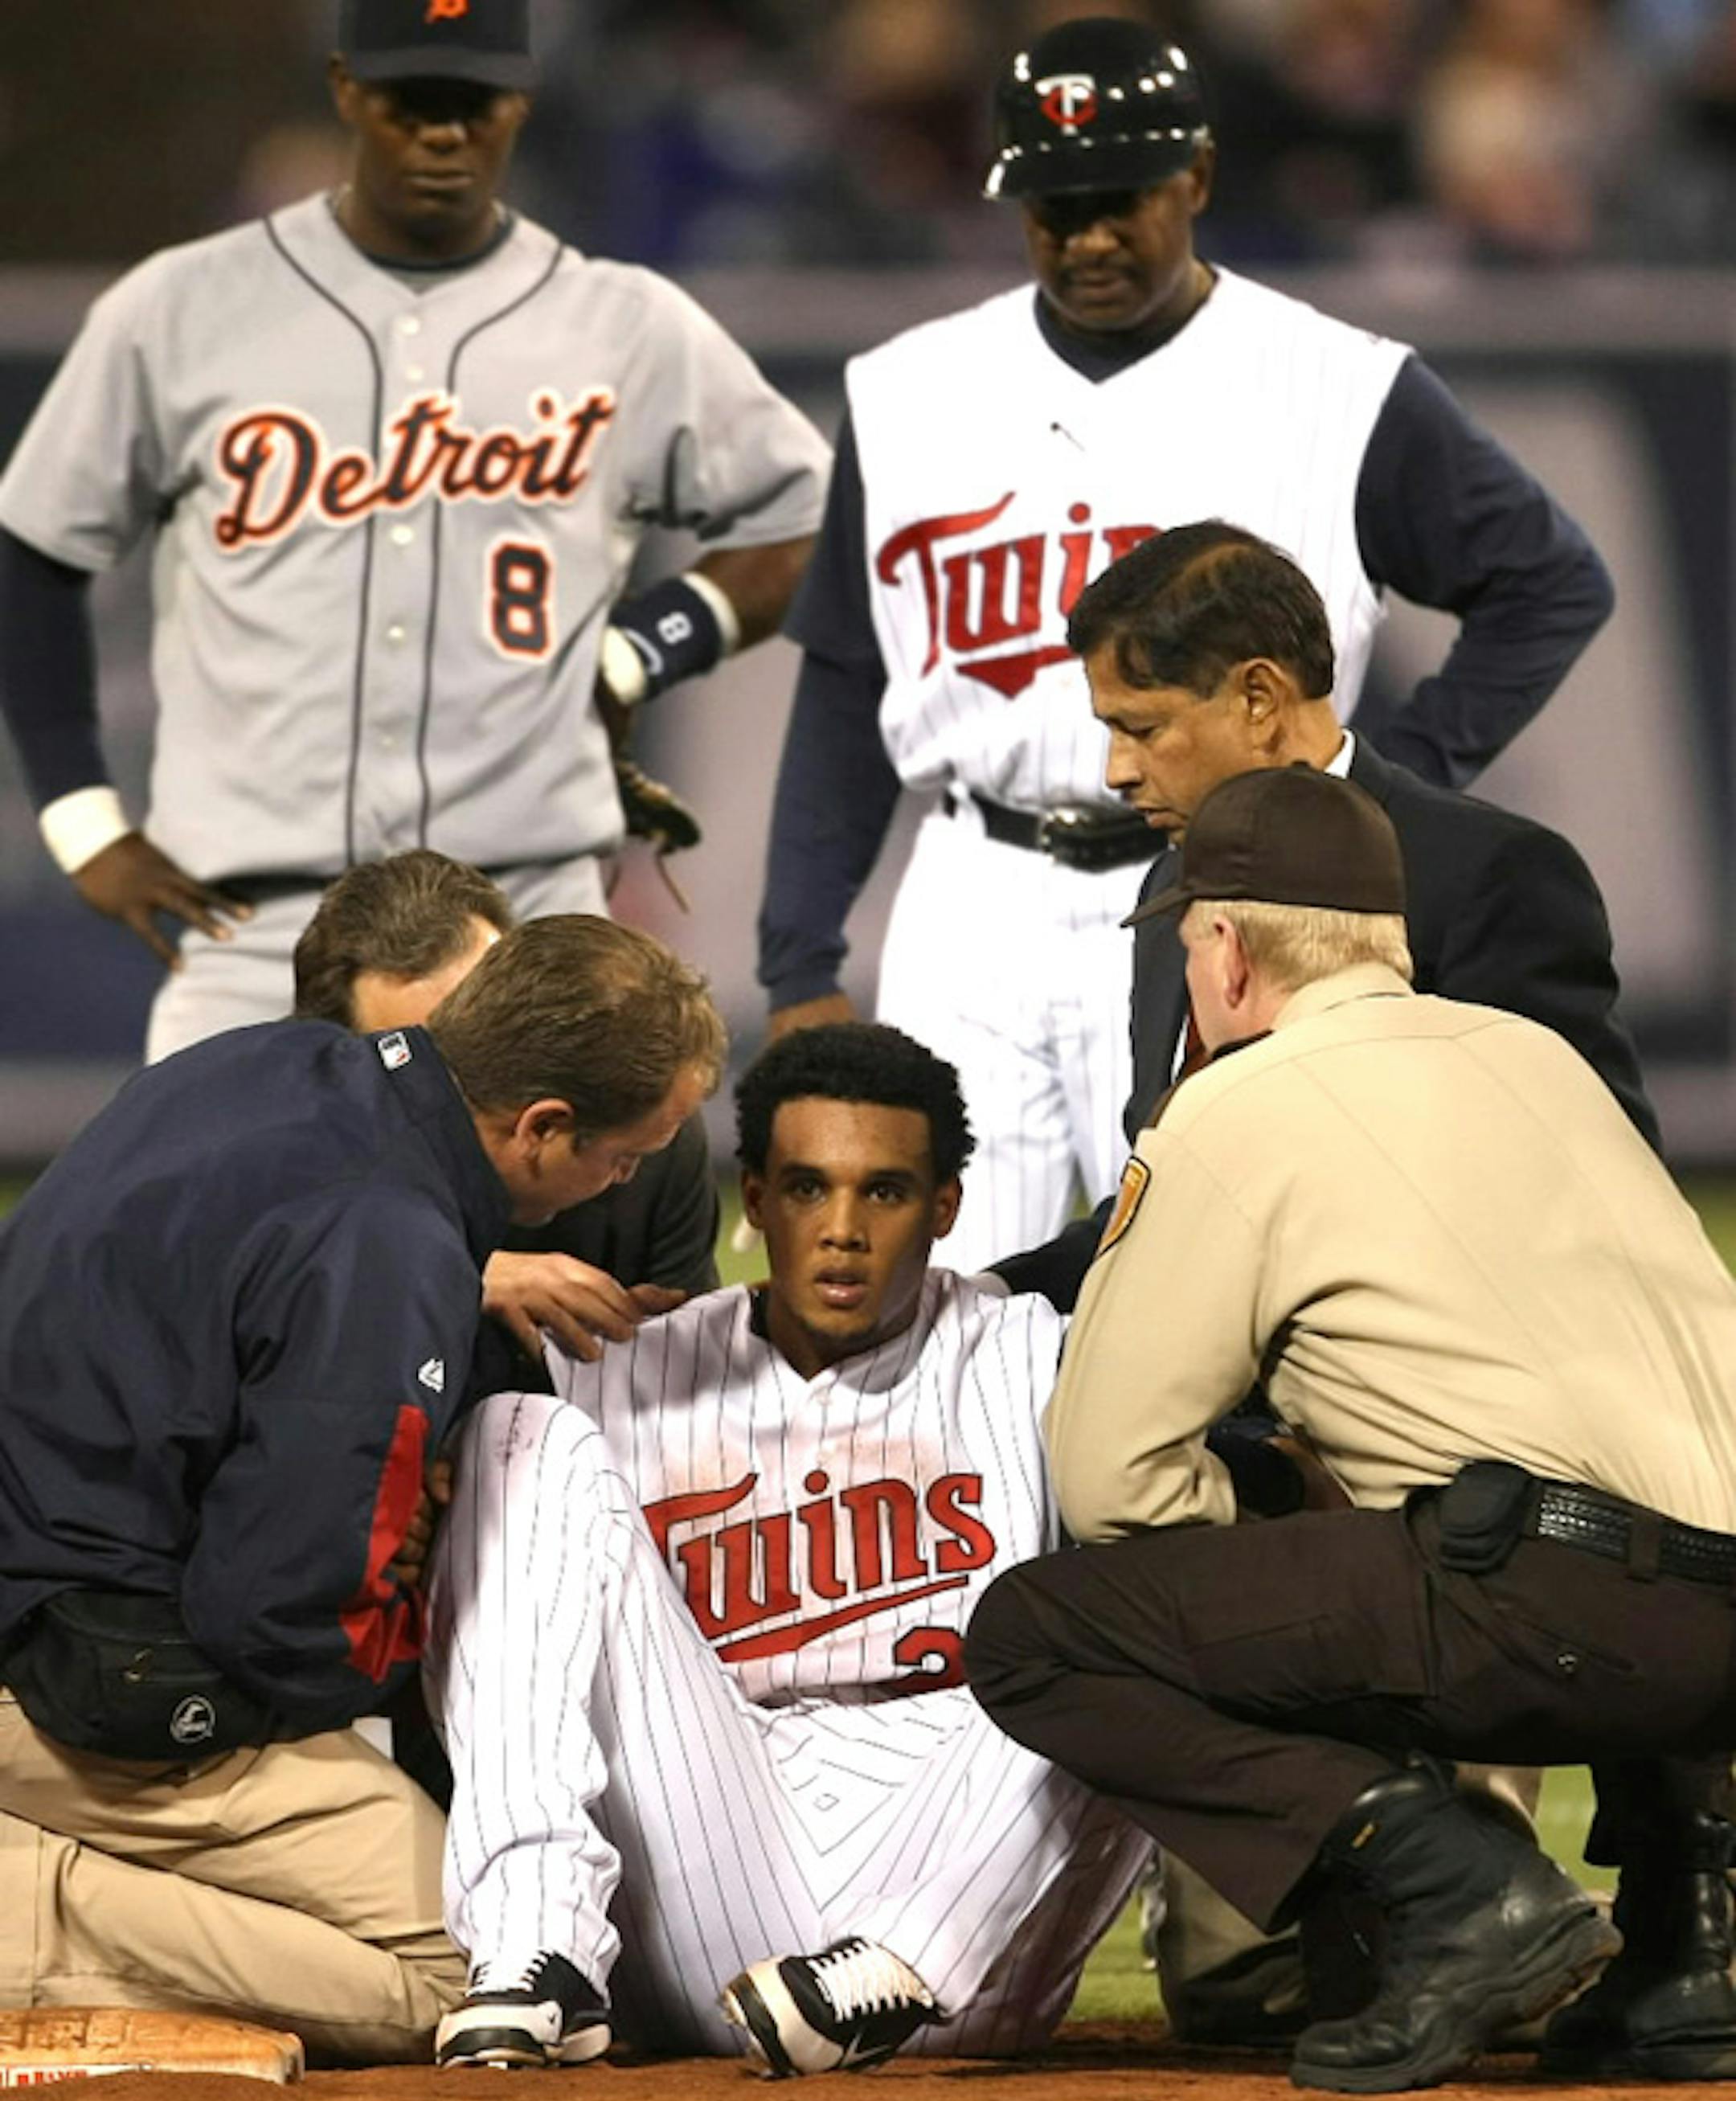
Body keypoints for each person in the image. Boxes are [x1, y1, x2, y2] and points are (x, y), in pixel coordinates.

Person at [755, 14, 1612, 1270]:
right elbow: (847, 677)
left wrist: (1374, 789)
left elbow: (1548, 580)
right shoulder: (905, 392)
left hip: (1232, 891)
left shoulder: (1340, 384)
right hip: (970, 894)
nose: (1090, 235)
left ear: (1197, 177)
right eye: (1056, 206)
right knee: (935, 1303)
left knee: (1215, 1287)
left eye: (1122, 199)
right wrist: (798, 958)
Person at [964, 766, 1736, 2095]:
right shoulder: (1537, 1058)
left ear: (1226, 950)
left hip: (1546, 1613)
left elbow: (1112, 1485)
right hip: (1717, 1643)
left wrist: (1288, 1528)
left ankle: (1466, 1887)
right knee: (1608, 1509)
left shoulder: (1232, 1106)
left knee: (1038, 1634)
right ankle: (1689, 1948)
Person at [0, 0, 828, 1063]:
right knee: (229, 1232)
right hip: (258, 933)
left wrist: (648, 644)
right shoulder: (182, 309)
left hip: (527, 932)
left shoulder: (622, 322)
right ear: (348, 93)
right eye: (411, 103)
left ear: (520, 107)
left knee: (540, 1237)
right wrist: (79, 817)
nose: (443, 134)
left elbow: (808, 517)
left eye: (473, 104)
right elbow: (35, 551)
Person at [0, 915, 724, 2062]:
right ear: (541, 1129)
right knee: (471, 1958)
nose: (625, 1180)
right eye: (623, 1155)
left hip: (48, 1569)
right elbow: (280, 1617)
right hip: (74, 1679)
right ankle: (23, 1906)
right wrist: (444, 1657)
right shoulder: (390, 1241)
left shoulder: (259, 1060)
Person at [424, 1023, 1149, 2074]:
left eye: (885, 1193)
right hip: (716, 1849)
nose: (843, 1231)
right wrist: (463, 1290)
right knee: (510, 1433)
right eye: (808, 1189)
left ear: (947, 1206)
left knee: (1143, 1570)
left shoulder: (1036, 1353)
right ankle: (537, 1950)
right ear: (754, 1201)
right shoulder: (623, 1362)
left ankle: (891, 1969)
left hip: (960, 1910)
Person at [995, 520, 1655, 1315]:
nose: (1117, 772)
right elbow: (1167, 1206)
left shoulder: (1485, 875)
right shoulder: (1173, 885)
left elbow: (1598, 1186)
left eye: (1142, 727)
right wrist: (991, 1292)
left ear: (1259, 698)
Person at [290, 849, 719, 1369]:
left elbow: (686, 1391)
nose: (481, 1070)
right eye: (419, 1063)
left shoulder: (640, 1132)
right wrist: (456, 1274)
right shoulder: (280, 1155)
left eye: (492, 1013)